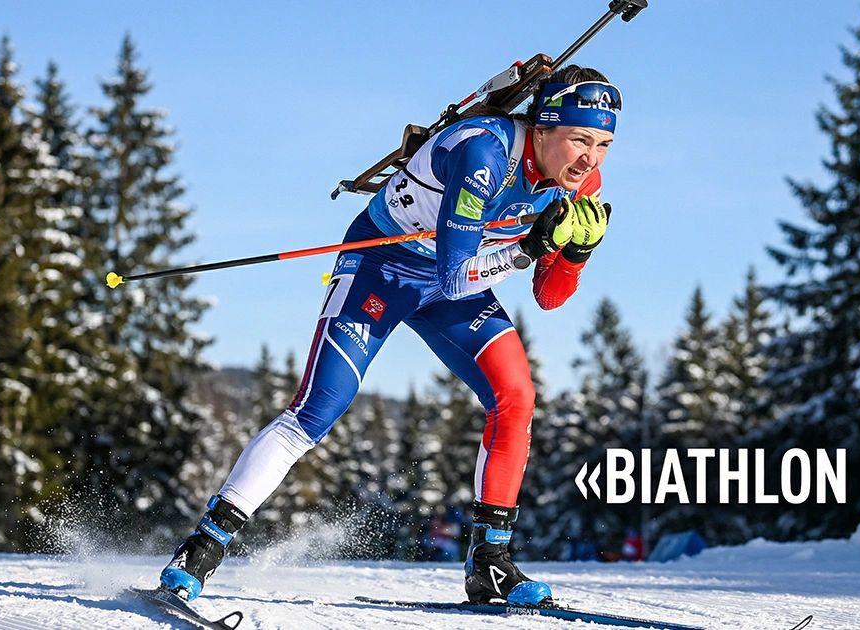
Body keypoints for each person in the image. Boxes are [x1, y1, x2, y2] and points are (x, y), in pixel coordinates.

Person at [159, 65, 621, 606]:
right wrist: (528, 250)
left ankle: (489, 563)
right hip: (385, 267)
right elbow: (453, 275)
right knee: (319, 407)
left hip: (461, 276)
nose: (591, 157)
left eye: (605, 143)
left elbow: (550, 296)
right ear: (541, 129)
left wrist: (576, 252)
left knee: (516, 396)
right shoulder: (483, 154)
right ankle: (203, 547)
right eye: (580, 139)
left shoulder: (580, 182)